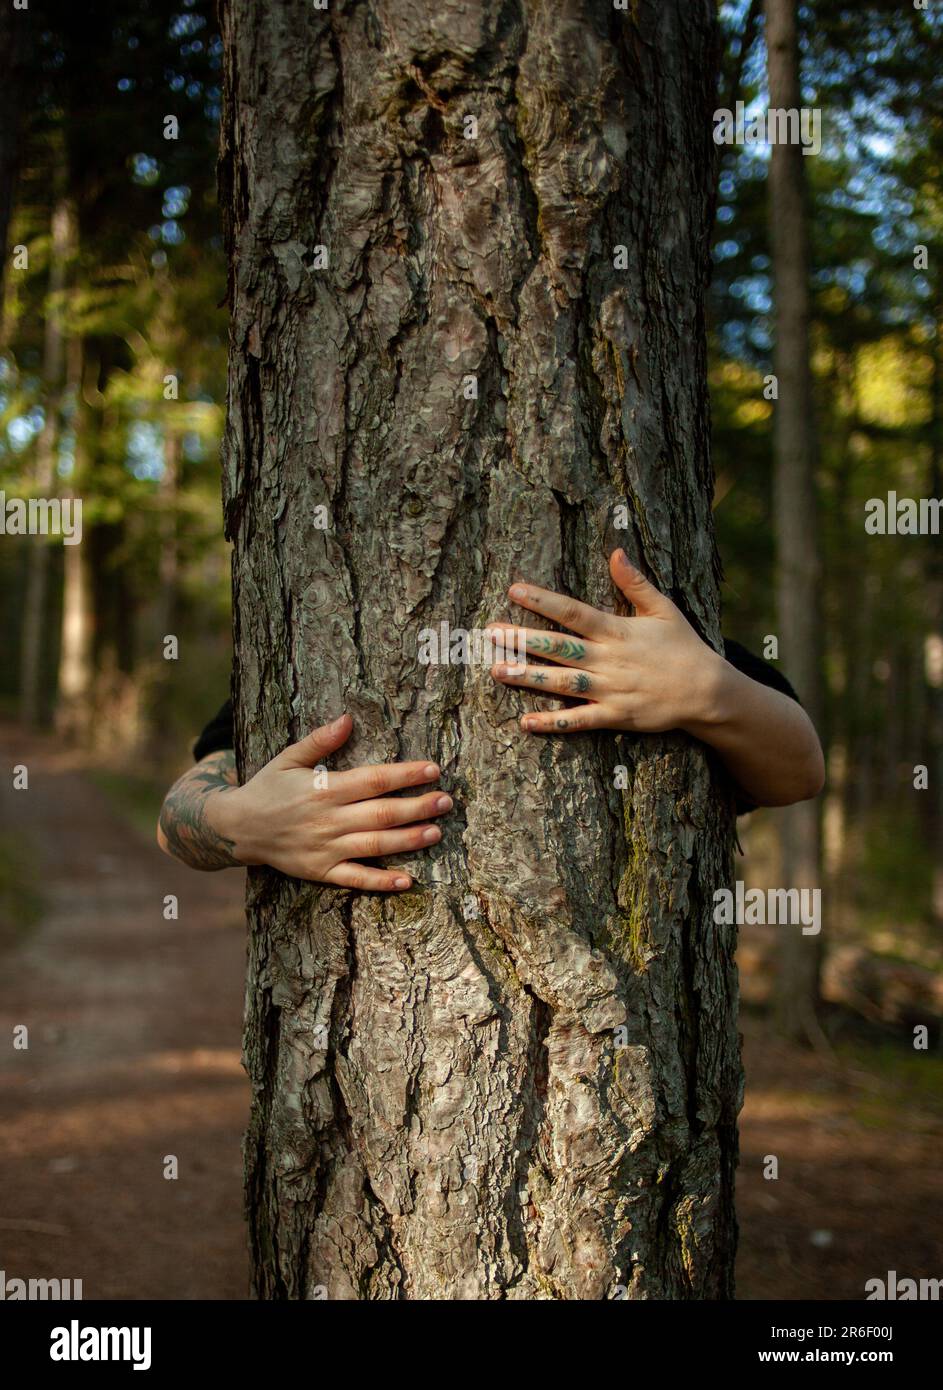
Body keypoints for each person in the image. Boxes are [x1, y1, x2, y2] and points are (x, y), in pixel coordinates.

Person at [157, 549, 824, 887]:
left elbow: (798, 772)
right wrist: (238, 825)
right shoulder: (309, 660)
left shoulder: (663, 649)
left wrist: (712, 690)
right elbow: (181, 809)